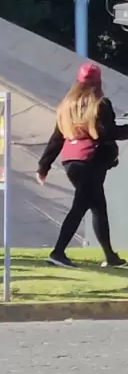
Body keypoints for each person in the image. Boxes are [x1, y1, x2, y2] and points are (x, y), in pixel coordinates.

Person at [37, 62, 128, 268]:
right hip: (91, 161)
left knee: (98, 206)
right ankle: (57, 252)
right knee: (80, 207)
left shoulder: (66, 105)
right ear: (99, 81)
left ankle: (110, 256)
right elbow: (107, 133)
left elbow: (57, 138)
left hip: (71, 161)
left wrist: (44, 166)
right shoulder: (100, 104)